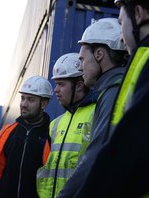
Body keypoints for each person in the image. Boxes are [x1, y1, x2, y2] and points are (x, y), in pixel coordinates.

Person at [70, 0, 149, 197]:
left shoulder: (119, 86)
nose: (122, 39)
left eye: (122, 23)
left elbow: (120, 151)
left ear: (138, 14)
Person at [57, 18, 128, 197]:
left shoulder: (113, 92)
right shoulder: (118, 88)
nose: (81, 68)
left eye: (82, 59)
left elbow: (96, 157)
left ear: (99, 55)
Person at [0, 75, 53, 198]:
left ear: (44, 104)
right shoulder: (8, 131)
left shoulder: (52, 134)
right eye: (22, 98)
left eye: (30, 100)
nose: (24, 104)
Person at [37, 53, 97, 198]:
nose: (55, 90)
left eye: (61, 84)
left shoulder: (97, 114)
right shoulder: (55, 124)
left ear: (79, 85)